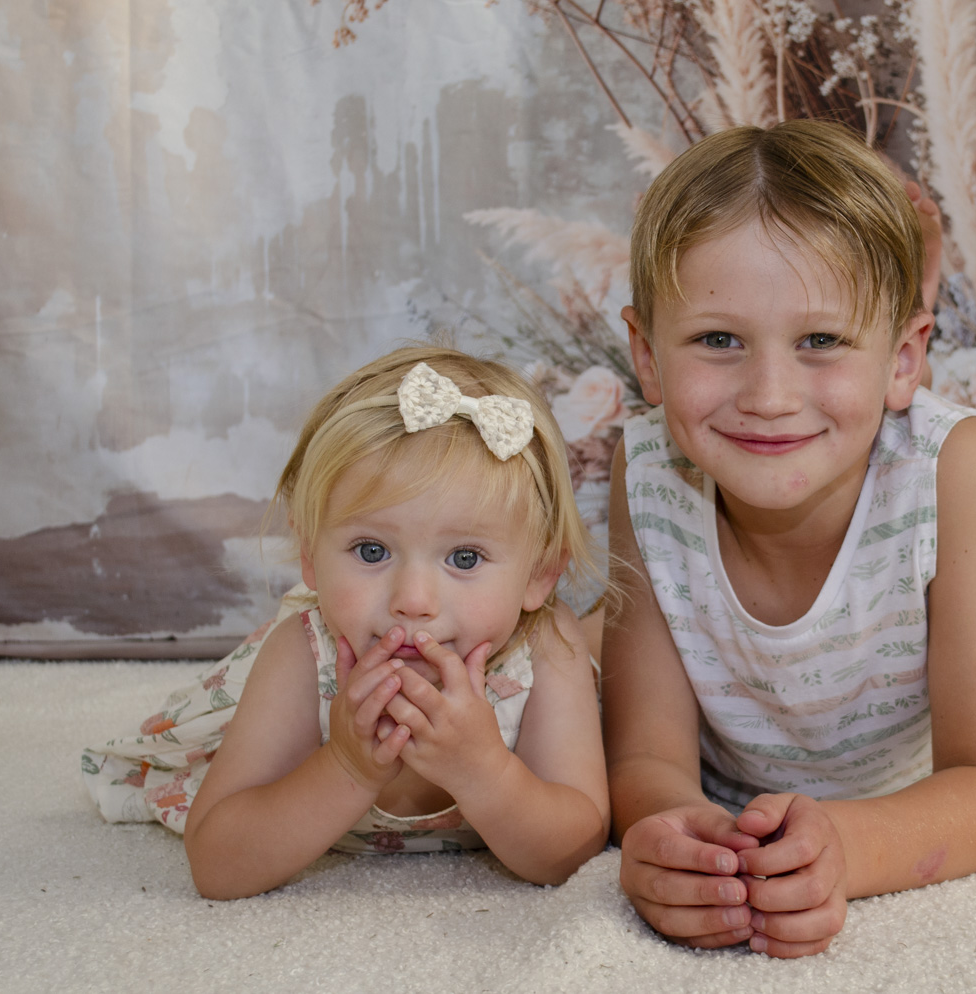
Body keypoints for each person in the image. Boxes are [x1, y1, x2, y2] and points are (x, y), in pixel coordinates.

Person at [602, 120, 976, 959]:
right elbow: (645, 754)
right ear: (648, 357)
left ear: (904, 358)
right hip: (736, 792)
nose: (769, 394)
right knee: (578, 646)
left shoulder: (951, 468)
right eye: (718, 340)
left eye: (821, 341)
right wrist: (685, 844)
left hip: (903, 778)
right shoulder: (649, 469)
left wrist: (849, 848)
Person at [82, 347, 609, 898]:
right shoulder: (304, 655)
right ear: (310, 556)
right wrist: (346, 767)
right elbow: (216, 865)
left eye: (466, 558)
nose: (412, 600)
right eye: (372, 550)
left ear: (540, 576)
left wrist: (485, 772)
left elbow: (574, 849)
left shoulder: (546, 648)